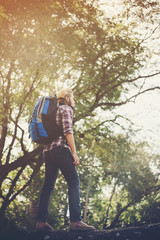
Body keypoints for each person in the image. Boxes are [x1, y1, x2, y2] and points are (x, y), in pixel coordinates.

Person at [36, 87, 95, 231]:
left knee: (48, 186)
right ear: (68, 98)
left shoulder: (51, 111)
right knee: (74, 182)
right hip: (60, 149)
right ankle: (75, 221)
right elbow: (68, 131)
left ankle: (41, 222)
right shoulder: (66, 109)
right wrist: (74, 152)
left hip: (47, 152)